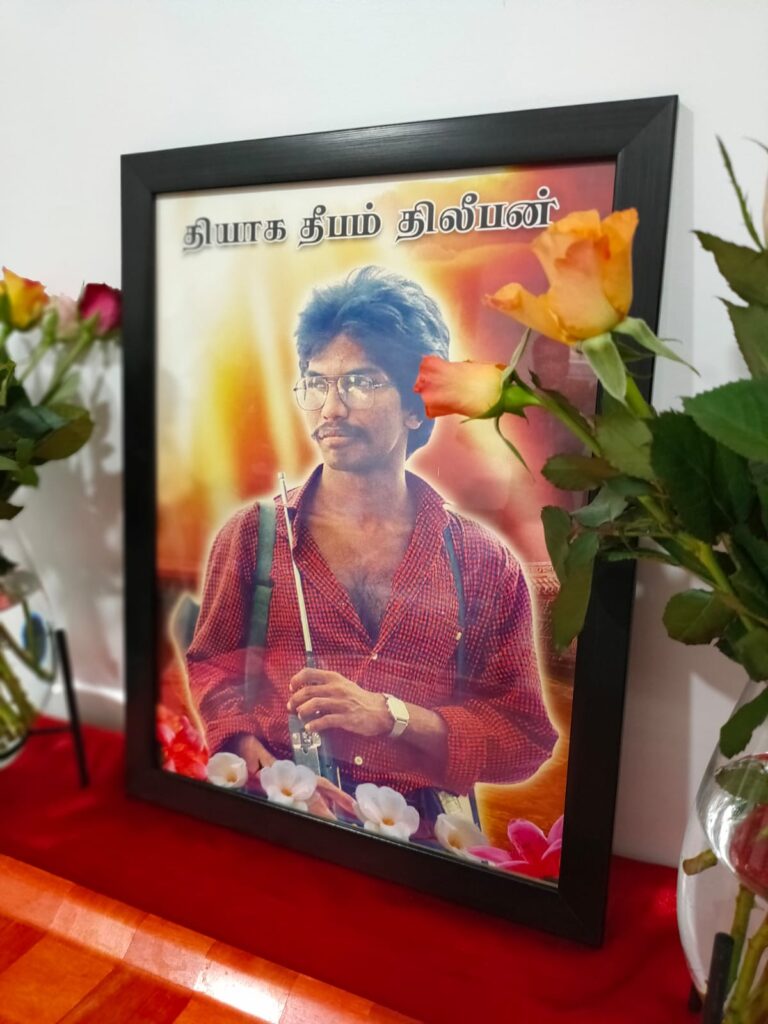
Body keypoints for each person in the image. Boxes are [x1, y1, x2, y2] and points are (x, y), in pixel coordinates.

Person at [186, 266, 557, 821]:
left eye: (361, 382)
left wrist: (393, 716)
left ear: (415, 404)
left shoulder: (483, 562)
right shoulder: (252, 537)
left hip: (427, 841)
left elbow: (524, 736)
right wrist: (242, 743)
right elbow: (211, 664)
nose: (331, 409)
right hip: (281, 816)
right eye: (317, 383)